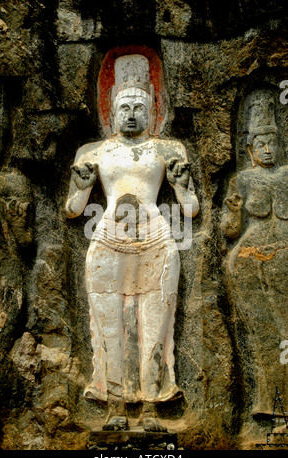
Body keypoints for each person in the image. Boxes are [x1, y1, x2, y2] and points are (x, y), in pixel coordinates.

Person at [65, 54, 199, 431]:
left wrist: (182, 184)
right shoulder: (92, 152)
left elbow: (190, 210)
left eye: (140, 106)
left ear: (154, 108)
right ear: (110, 109)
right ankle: (115, 406)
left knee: (155, 323)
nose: (131, 114)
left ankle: (155, 403)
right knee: (109, 325)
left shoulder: (168, 150)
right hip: (107, 240)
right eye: (124, 106)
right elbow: (74, 210)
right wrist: (79, 184)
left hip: (156, 241)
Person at [222, 90, 287, 417]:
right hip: (249, 261)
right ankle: (269, 402)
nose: (266, 149)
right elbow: (230, 230)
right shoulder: (242, 179)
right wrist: (232, 211)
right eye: (260, 144)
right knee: (264, 333)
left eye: (271, 143)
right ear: (249, 149)